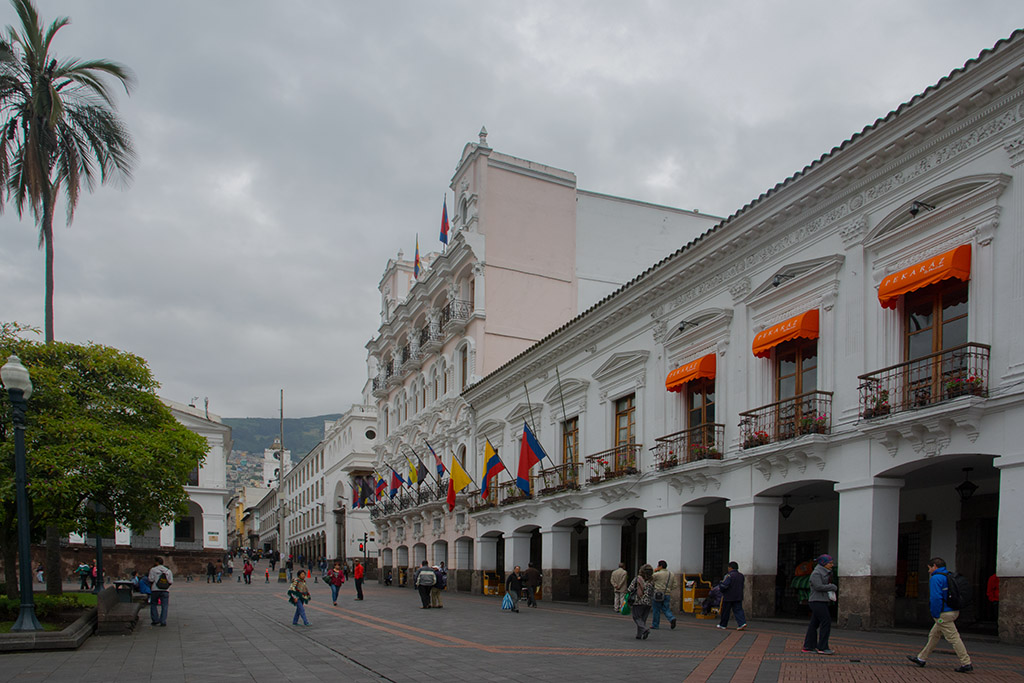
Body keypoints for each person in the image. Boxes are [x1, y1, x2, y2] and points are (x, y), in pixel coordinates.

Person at [907, 557, 973, 673]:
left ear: (934, 566)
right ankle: (921, 658)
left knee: (953, 638)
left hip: (943, 614)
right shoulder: (949, 575)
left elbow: (936, 598)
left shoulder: (936, 578)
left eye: (929, 568)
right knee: (934, 635)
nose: (928, 571)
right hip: (953, 611)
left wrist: (935, 614)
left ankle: (966, 662)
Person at [802, 554, 838, 654]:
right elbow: (818, 586)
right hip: (817, 601)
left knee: (814, 624)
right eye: (829, 563)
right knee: (826, 622)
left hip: (822, 600)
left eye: (831, 563)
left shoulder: (825, 572)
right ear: (823, 563)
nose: (831, 565)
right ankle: (822, 647)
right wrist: (832, 587)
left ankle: (808, 646)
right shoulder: (817, 573)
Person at [717, 561, 747, 631]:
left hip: (728, 596)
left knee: (725, 611)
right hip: (738, 596)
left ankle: (723, 624)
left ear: (730, 568)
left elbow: (724, 585)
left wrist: (720, 587)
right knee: (738, 610)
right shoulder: (741, 576)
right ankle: (742, 623)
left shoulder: (729, 575)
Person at [627, 564, 655, 639]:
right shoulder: (652, 580)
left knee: (636, 617)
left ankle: (645, 629)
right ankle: (639, 634)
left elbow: (630, 588)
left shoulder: (638, 579)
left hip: (638, 601)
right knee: (643, 618)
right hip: (648, 601)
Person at [651, 560, 677, 630]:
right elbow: (675, 585)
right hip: (667, 593)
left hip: (658, 593)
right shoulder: (671, 574)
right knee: (666, 608)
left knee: (656, 609)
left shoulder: (657, 574)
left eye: (658, 566)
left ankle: (655, 624)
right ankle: (671, 618)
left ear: (660, 566)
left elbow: (650, 579)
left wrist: (654, 571)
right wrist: (669, 589)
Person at [148, 556, 173, 627]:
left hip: (155, 589)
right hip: (165, 590)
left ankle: (155, 620)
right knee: (164, 606)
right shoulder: (168, 571)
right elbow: (170, 581)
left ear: (156, 562)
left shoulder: (153, 570)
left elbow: (150, 579)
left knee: (153, 604)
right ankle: (163, 621)